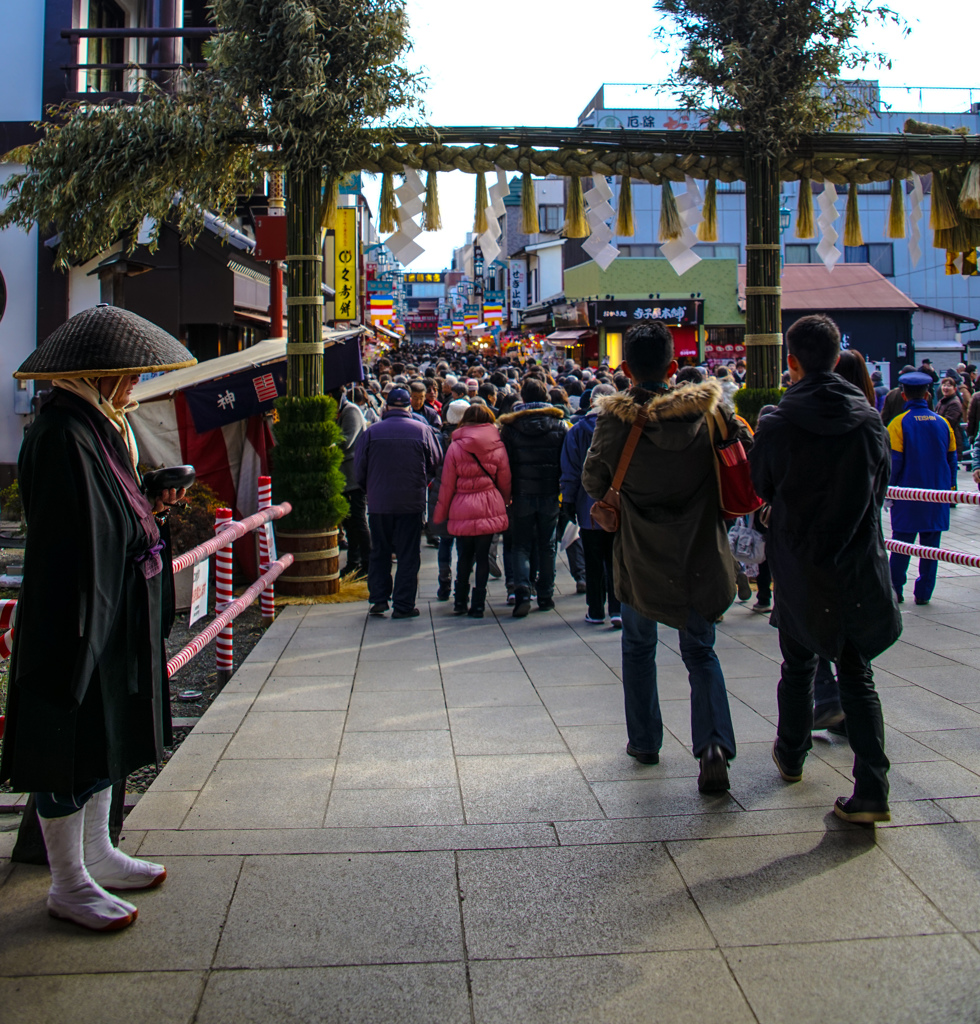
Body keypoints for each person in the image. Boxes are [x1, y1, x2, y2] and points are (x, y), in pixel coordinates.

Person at [0, 304, 196, 931]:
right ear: (99, 373)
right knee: (70, 744)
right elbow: (73, 534)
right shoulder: (60, 432)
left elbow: (113, 506)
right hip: (75, 619)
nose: (134, 384)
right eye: (127, 374)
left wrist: (150, 501)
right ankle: (68, 881)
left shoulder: (102, 423)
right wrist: (137, 529)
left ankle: (99, 852)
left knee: (104, 739)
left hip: (111, 611)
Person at [749, 314, 900, 824]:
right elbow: (879, 492)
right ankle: (872, 789)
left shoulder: (776, 422)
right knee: (857, 671)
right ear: (838, 358)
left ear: (791, 361)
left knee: (798, 664)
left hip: (799, 559)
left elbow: (762, 486)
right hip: (856, 559)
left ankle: (791, 755)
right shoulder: (868, 421)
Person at [582, 322, 741, 793]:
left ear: (626, 370)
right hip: (699, 550)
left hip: (640, 552)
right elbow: (735, 467)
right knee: (700, 649)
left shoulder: (615, 420)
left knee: (637, 646)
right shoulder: (711, 414)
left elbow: (595, 481)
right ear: (674, 368)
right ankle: (713, 744)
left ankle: (646, 740)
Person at [355, 387, 442, 619]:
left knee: (380, 550)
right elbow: (435, 461)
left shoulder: (372, 432)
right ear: (407, 407)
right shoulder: (423, 430)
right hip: (410, 502)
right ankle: (403, 604)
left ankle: (379, 599)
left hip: (379, 503)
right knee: (408, 553)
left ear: (387, 407)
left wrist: (371, 489)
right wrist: (422, 482)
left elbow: (359, 470)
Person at [498, 378, 569, 617]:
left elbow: (505, 464)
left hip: (521, 494)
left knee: (520, 544)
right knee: (547, 544)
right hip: (550, 492)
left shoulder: (510, 427)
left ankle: (522, 593)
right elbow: (564, 462)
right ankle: (546, 595)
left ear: (523, 399)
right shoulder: (559, 426)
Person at [432, 405, 511, 617]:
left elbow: (447, 484)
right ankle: (478, 603)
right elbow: (505, 480)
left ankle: (459, 600)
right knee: (483, 556)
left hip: (462, 505)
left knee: (464, 555)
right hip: (489, 502)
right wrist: (502, 502)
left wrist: (440, 513)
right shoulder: (497, 446)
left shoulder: (455, 447)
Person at [887, 372, 958, 606]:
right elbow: (952, 461)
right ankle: (924, 593)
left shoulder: (897, 424)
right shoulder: (943, 423)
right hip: (936, 496)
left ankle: (895, 590)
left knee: (901, 545)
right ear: (928, 394)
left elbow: (894, 463)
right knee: (932, 549)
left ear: (904, 395)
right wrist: (951, 491)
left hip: (907, 497)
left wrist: (888, 492)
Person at [560, 383, 621, 626]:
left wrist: (569, 500)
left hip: (589, 507)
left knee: (593, 560)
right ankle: (617, 609)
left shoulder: (577, 431)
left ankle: (595, 609)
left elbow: (571, 469)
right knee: (616, 559)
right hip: (618, 505)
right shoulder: (623, 429)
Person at [331, 386, 370, 576]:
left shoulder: (351, 411)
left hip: (354, 476)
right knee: (349, 522)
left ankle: (368, 562)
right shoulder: (342, 412)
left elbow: (346, 440)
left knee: (358, 520)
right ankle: (354, 562)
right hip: (344, 476)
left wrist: (326, 440)